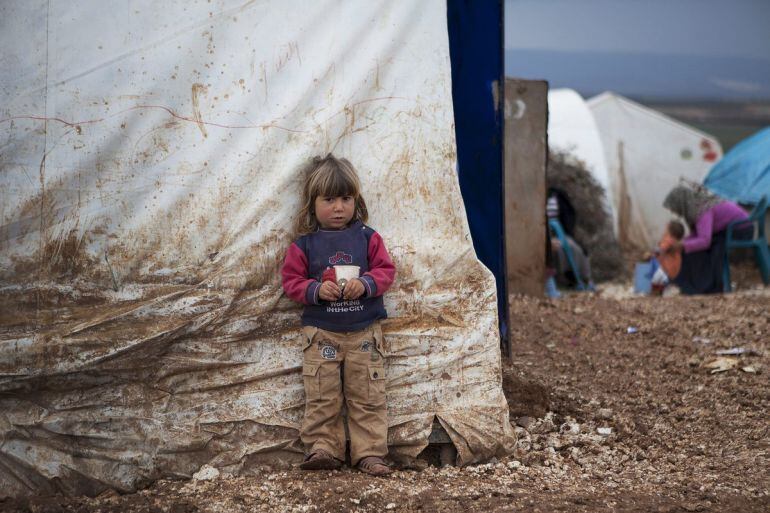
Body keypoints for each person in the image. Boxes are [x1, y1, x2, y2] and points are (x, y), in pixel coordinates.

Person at [281, 154, 396, 476]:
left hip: (363, 332)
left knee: (368, 396)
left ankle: (370, 454)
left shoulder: (368, 238)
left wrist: (366, 283)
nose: (338, 207)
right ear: (312, 203)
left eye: (345, 199)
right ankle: (323, 447)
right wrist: (316, 290)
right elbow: (291, 282)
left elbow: (386, 270)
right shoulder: (304, 245)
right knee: (321, 395)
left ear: (355, 201)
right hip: (321, 333)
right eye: (329, 199)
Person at [662, 184, 750, 294]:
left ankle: (708, 287)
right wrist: (683, 243)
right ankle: (695, 285)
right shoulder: (696, 207)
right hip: (729, 229)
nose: (676, 213)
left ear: (682, 204)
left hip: (741, 229)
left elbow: (704, 241)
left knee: (709, 250)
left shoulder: (702, 210)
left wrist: (682, 245)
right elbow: (697, 234)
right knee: (692, 249)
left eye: (675, 209)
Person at [650, 220, 685, 292]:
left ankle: (656, 290)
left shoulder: (669, 241)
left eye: (666, 229)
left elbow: (660, 250)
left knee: (655, 276)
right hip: (674, 271)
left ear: (670, 233)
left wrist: (652, 253)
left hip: (667, 271)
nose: (664, 232)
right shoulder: (677, 243)